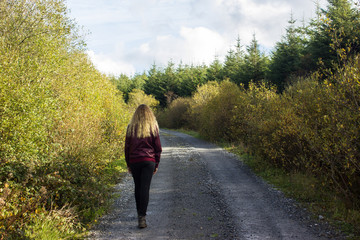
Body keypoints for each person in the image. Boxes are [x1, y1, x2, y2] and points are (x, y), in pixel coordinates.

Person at [125, 104, 162, 229]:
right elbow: (158, 148)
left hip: (135, 161)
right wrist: (156, 164)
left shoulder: (131, 127)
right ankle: (142, 218)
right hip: (148, 161)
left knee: (138, 187)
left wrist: (128, 163)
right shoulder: (153, 127)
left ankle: (139, 215)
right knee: (145, 189)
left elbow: (127, 148)